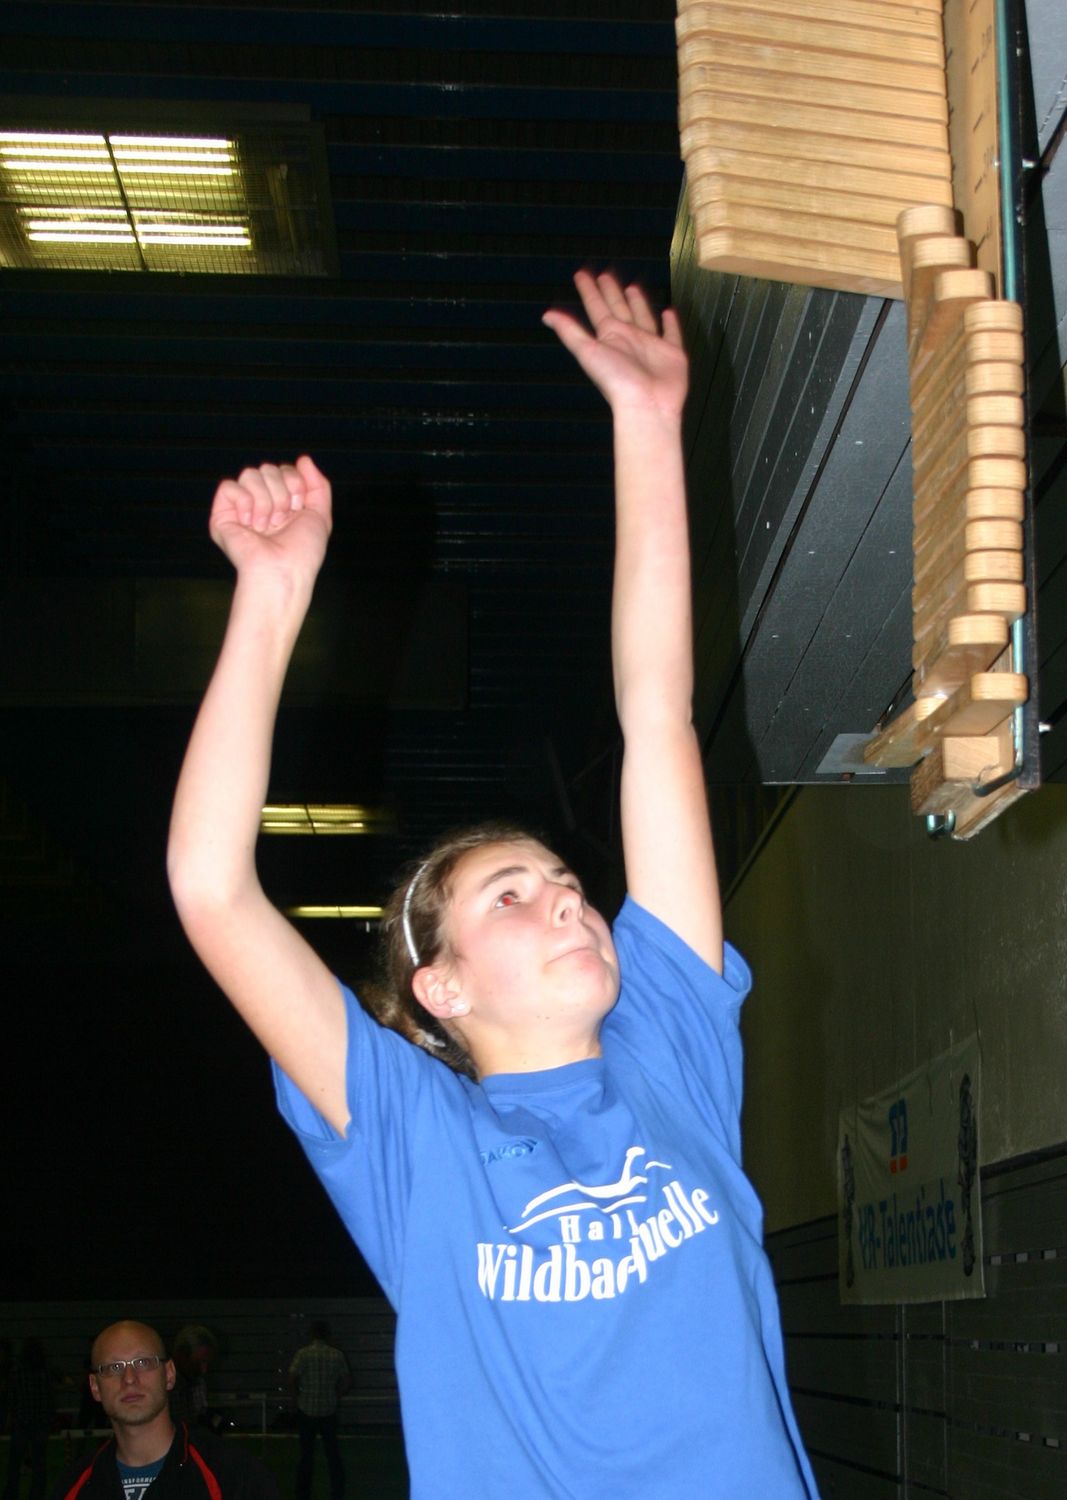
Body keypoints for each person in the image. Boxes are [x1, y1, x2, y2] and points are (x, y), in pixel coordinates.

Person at [168, 270, 820, 1499]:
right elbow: (211, 887)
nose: (567, 898)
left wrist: (647, 425)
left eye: (564, 879)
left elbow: (657, 714)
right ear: (443, 986)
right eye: (509, 896)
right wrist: (271, 593)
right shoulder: (415, 1138)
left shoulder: (670, 1046)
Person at [51, 1322, 276, 1499]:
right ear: (95, 1387)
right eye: (113, 1367)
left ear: (169, 1374)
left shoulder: (235, 1476)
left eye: (143, 1363)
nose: (129, 1379)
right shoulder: (72, 1487)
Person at [285, 1323, 349, 1500]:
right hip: (328, 1410)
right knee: (333, 1455)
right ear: (327, 1335)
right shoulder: (337, 1355)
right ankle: (337, 1491)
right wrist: (336, 1396)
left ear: (312, 1334)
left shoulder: (303, 1354)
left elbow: (291, 1379)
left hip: (307, 1410)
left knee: (306, 1456)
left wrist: (296, 1399)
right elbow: (346, 1380)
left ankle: (303, 1493)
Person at [2, 1338, 51, 1500]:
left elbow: (12, 1398)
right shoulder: (44, 1373)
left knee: (14, 1463)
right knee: (39, 1464)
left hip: (22, 1422)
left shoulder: (18, 1372)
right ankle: (37, 1495)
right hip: (40, 1423)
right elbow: (49, 1399)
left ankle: (11, 1494)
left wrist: (9, 1418)